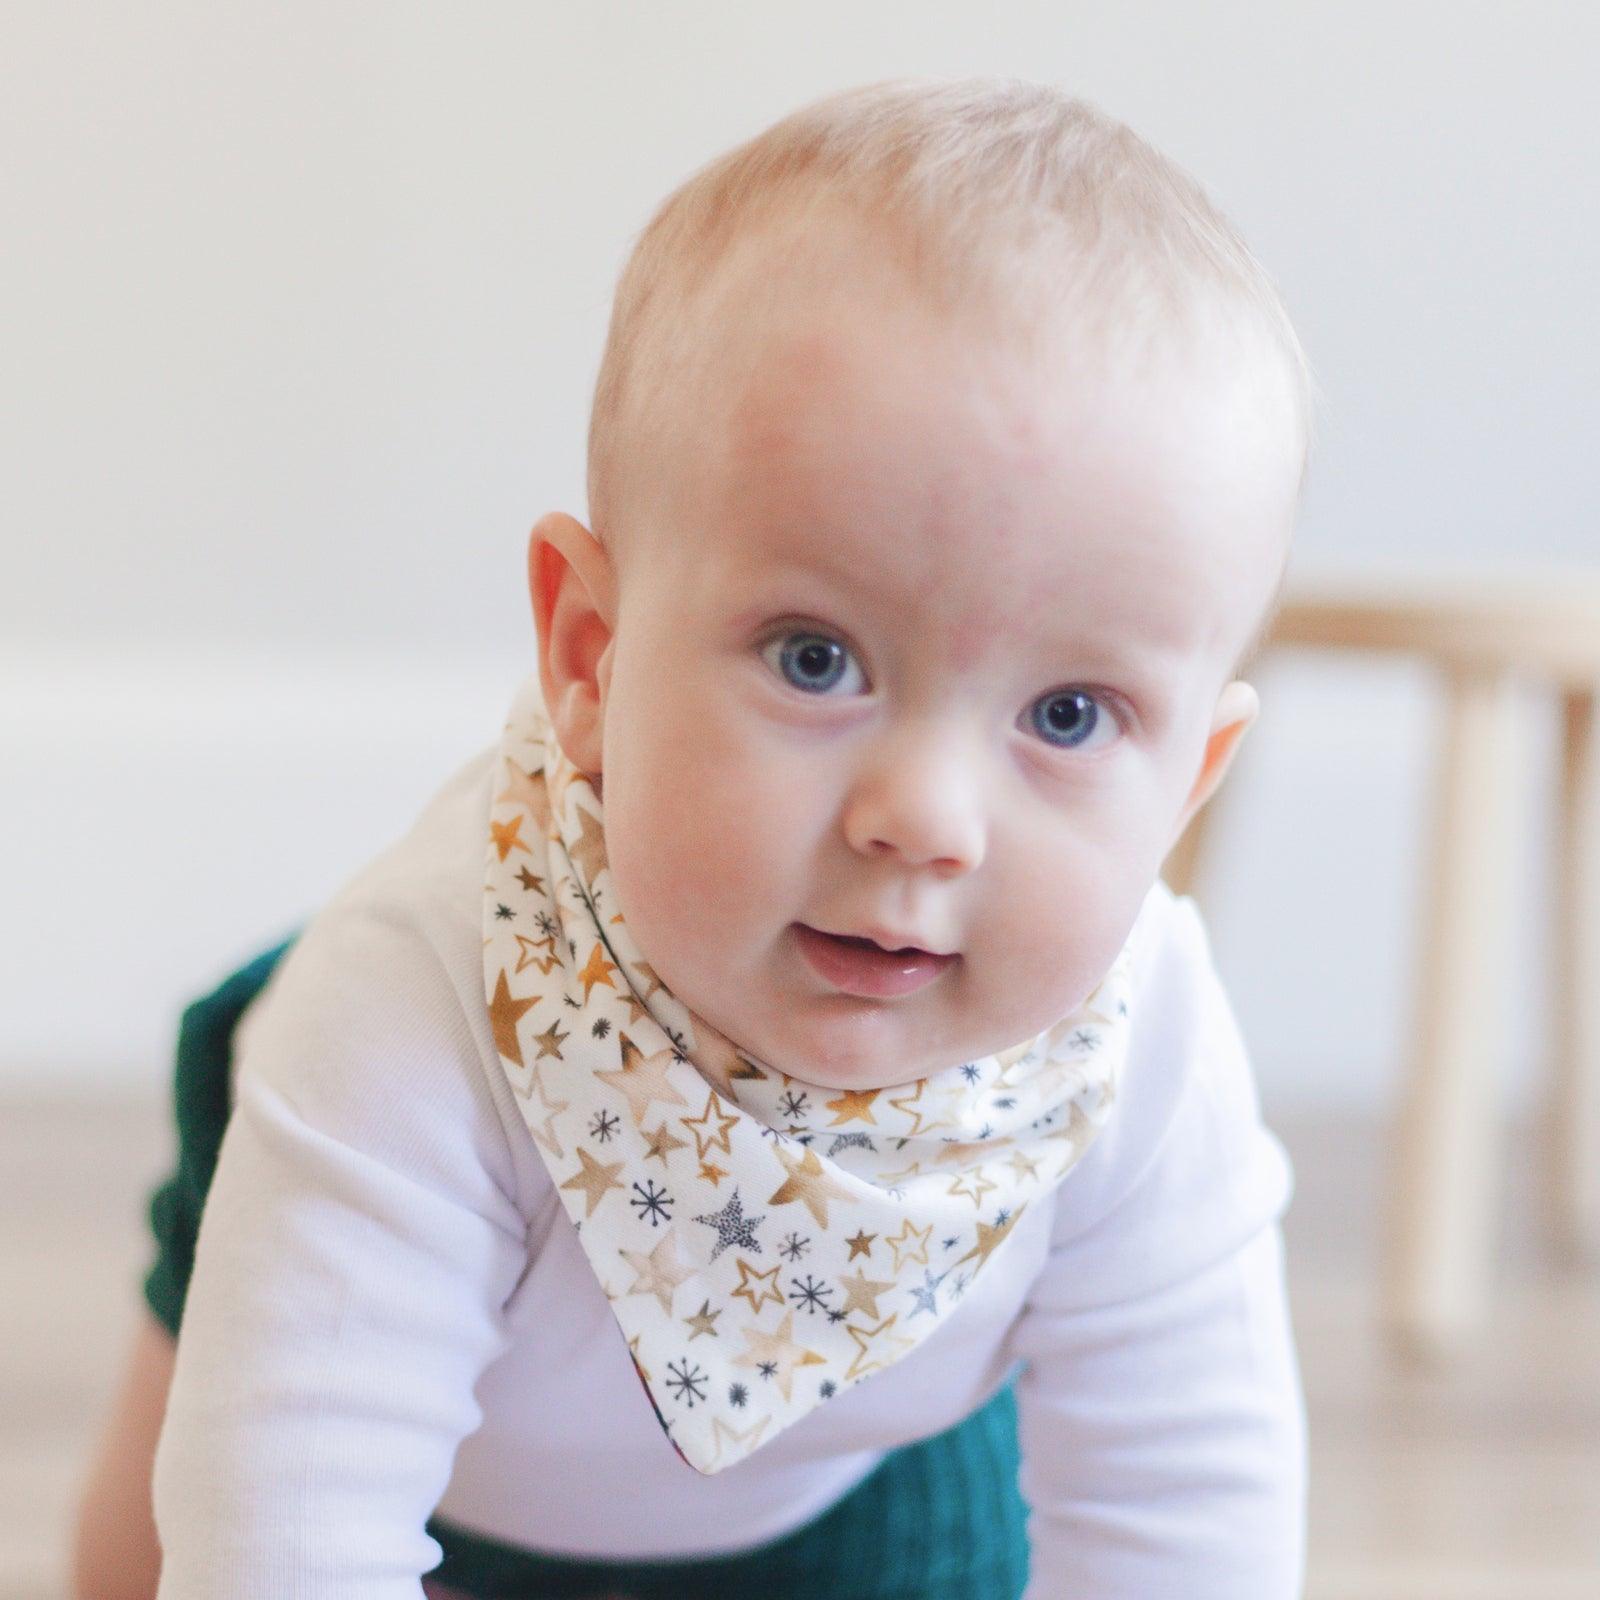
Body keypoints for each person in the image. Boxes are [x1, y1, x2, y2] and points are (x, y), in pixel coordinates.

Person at [74, 78, 1311, 1600]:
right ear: (590, 658)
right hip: (426, 1447)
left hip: (855, 1470)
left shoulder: (1142, 1050)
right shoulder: (423, 1005)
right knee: (139, 1554)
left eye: (1067, 717)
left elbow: (1183, 1513)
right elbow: (285, 1537)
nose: (925, 817)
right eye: (814, 659)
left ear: (1193, 778)